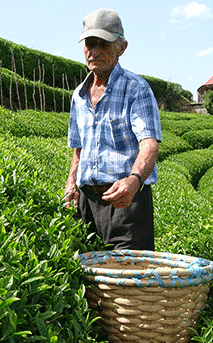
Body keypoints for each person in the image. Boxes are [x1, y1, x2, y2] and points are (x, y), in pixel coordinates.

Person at [63, 8, 161, 251]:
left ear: (121, 48)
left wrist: (134, 181)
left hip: (126, 201)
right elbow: (78, 147)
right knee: (91, 277)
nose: (94, 52)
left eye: (103, 44)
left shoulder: (136, 88)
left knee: (127, 276)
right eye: (89, 43)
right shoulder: (79, 94)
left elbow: (149, 143)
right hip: (87, 201)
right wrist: (71, 183)